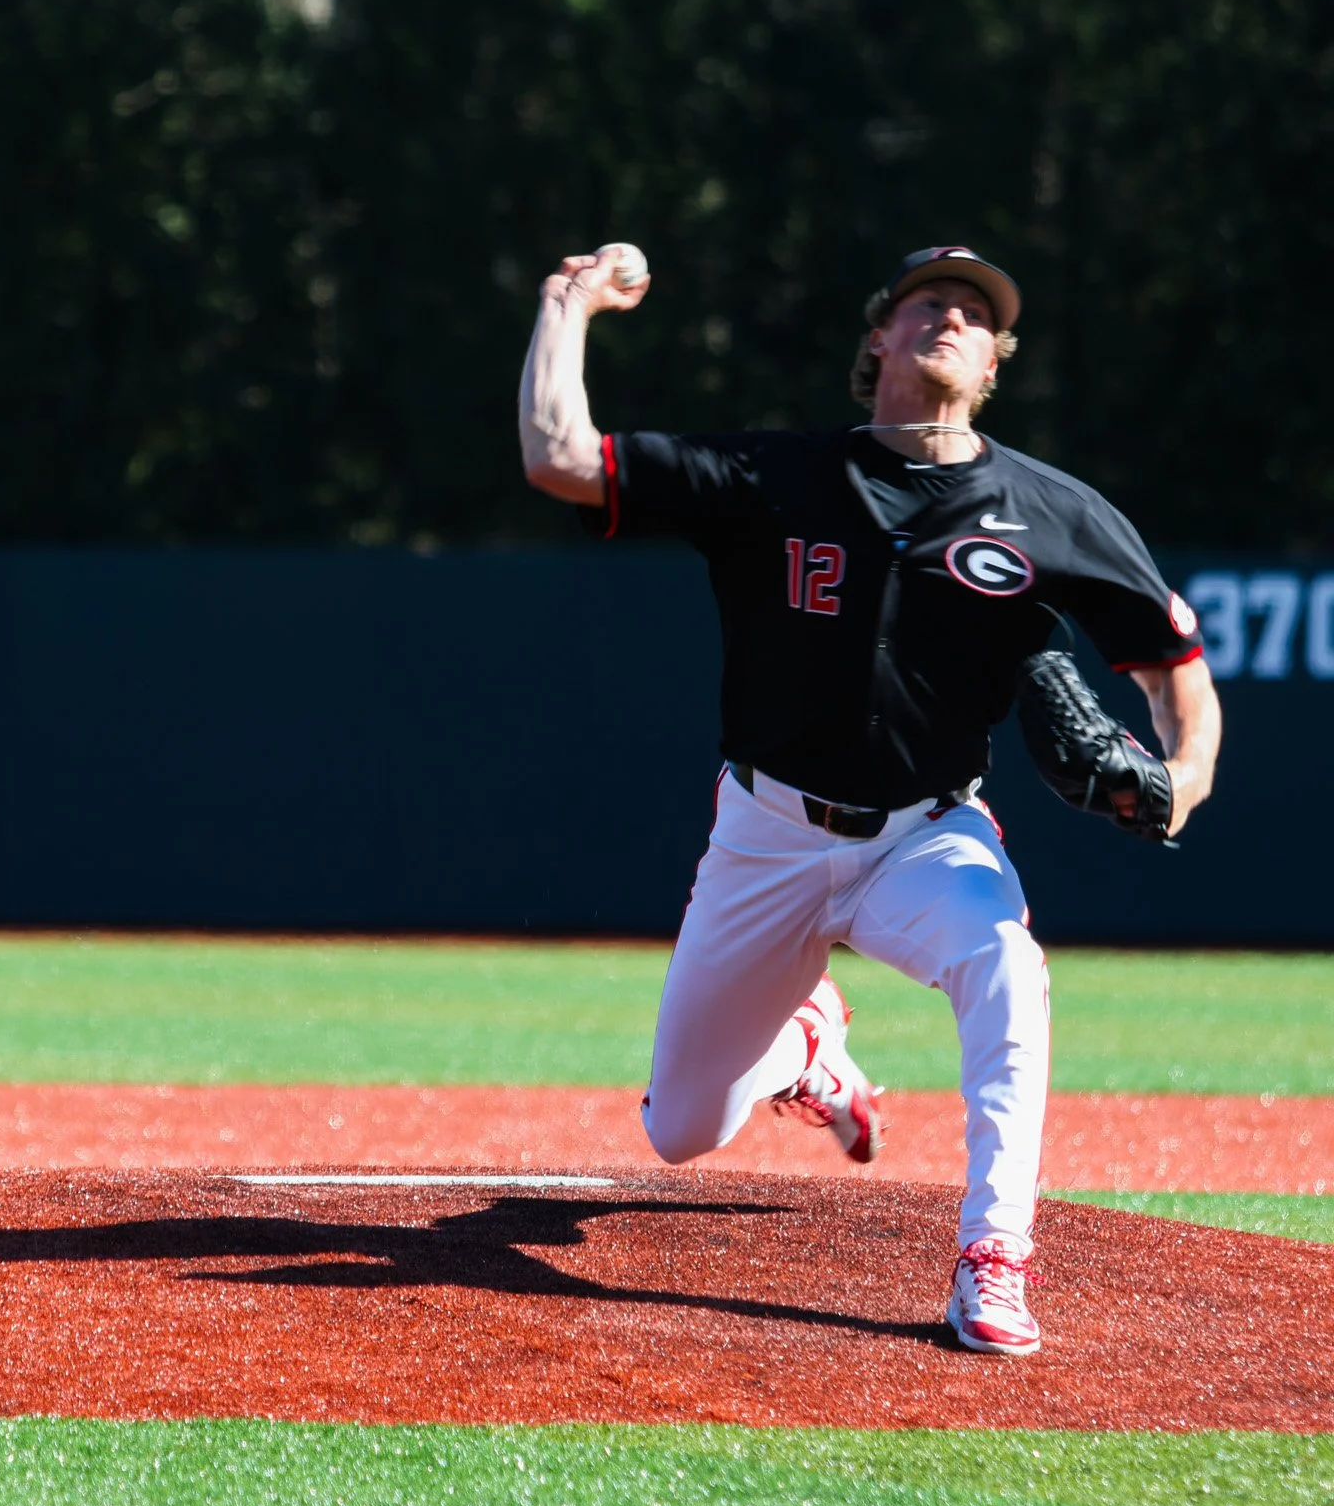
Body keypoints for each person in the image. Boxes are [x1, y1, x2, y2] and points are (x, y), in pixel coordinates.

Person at [516, 244, 1222, 1356]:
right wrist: (567, 307)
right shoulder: (776, 476)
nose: (951, 317)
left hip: (925, 835)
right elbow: (561, 459)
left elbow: (1177, 675)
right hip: (766, 835)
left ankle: (994, 1258)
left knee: (1007, 964)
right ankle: (806, 1047)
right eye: (926, 302)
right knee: (680, 1131)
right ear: (878, 340)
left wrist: (1180, 784)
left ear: (994, 362)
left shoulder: (1052, 510)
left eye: (976, 314)